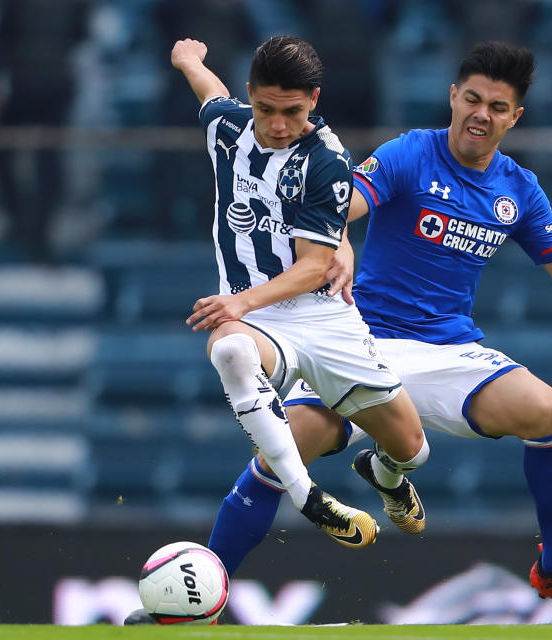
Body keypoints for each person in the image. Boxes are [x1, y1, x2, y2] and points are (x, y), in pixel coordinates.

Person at [202, 41, 552, 625]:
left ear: (514, 117)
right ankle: (204, 594)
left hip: (450, 350)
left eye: (497, 107)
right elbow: (336, 206)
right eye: (472, 99)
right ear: (453, 97)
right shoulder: (409, 154)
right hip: (363, 342)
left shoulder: (519, 190)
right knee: (286, 443)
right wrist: (338, 244)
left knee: (549, 414)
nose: (481, 113)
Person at [169, 36, 430, 551]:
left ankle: (385, 473)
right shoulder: (228, 127)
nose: (278, 124)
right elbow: (210, 93)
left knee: (412, 447)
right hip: (259, 321)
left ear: (313, 99)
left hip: (321, 316)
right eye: (265, 109)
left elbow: (314, 268)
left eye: (291, 111)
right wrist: (189, 60)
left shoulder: (328, 160)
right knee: (229, 348)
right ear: (251, 95)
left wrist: (238, 302)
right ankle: (308, 496)